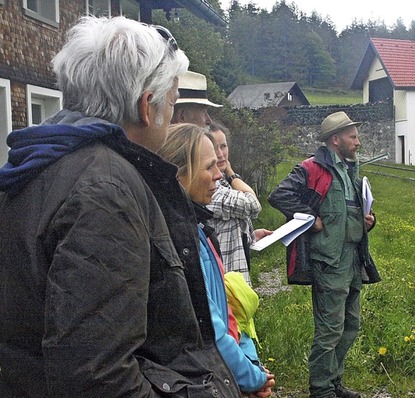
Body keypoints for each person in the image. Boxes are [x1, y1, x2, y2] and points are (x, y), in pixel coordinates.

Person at [0, 16, 240, 397]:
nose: (171, 114)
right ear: (148, 107)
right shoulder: (105, 191)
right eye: (172, 101)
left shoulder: (46, 166)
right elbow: (98, 377)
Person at [268, 111, 381, 398]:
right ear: (335, 140)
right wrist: (309, 216)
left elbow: (354, 208)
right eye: (352, 137)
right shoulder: (311, 168)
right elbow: (280, 195)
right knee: (330, 330)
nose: (358, 142)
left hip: (354, 258)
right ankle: (320, 389)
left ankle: (334, 382)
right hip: (329, 261)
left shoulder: (350, 169)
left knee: (351, 326)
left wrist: (369, 220)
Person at [157, 123, 275, 397]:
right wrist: (251, 377)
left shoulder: (197, 228)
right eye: (209, 167)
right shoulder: (177, 237)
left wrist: (249, 364)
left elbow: (227, 311)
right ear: (179, 172)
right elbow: (211, 326)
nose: (218, 175)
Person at [208, 121, 272, 284]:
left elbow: (223, 226)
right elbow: (253, 204)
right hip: (223, 282)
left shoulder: (223, 184)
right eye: (215, 148)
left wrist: (249, 235)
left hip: (234, 279)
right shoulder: (210, 187)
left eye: (223, 146)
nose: (221, 154)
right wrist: (230, 172)